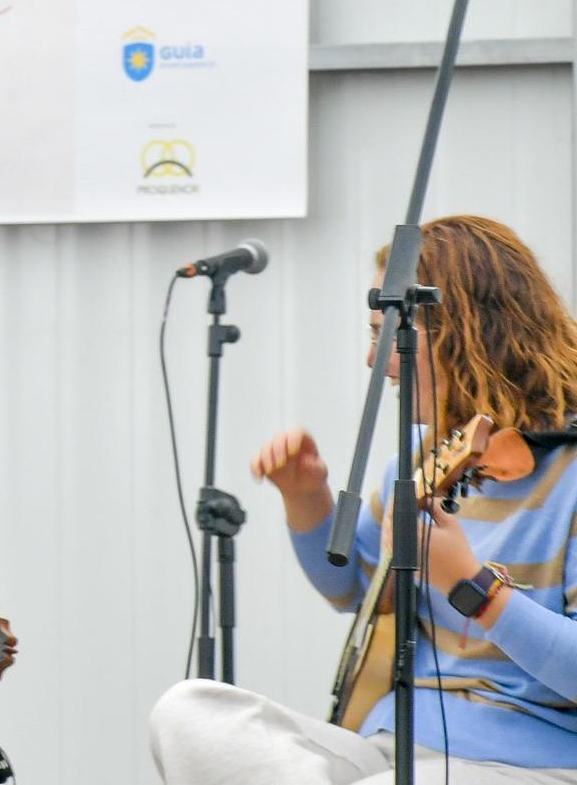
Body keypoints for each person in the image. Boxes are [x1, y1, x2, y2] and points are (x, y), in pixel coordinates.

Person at [150, 215, 577, 783]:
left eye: (386, 334)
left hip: (531, 763)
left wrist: (475, 590)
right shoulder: (425, 459)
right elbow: (359, 589)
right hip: (389, 743)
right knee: (189, 712)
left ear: (464, 331)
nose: (374, 361)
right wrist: (307, 499)